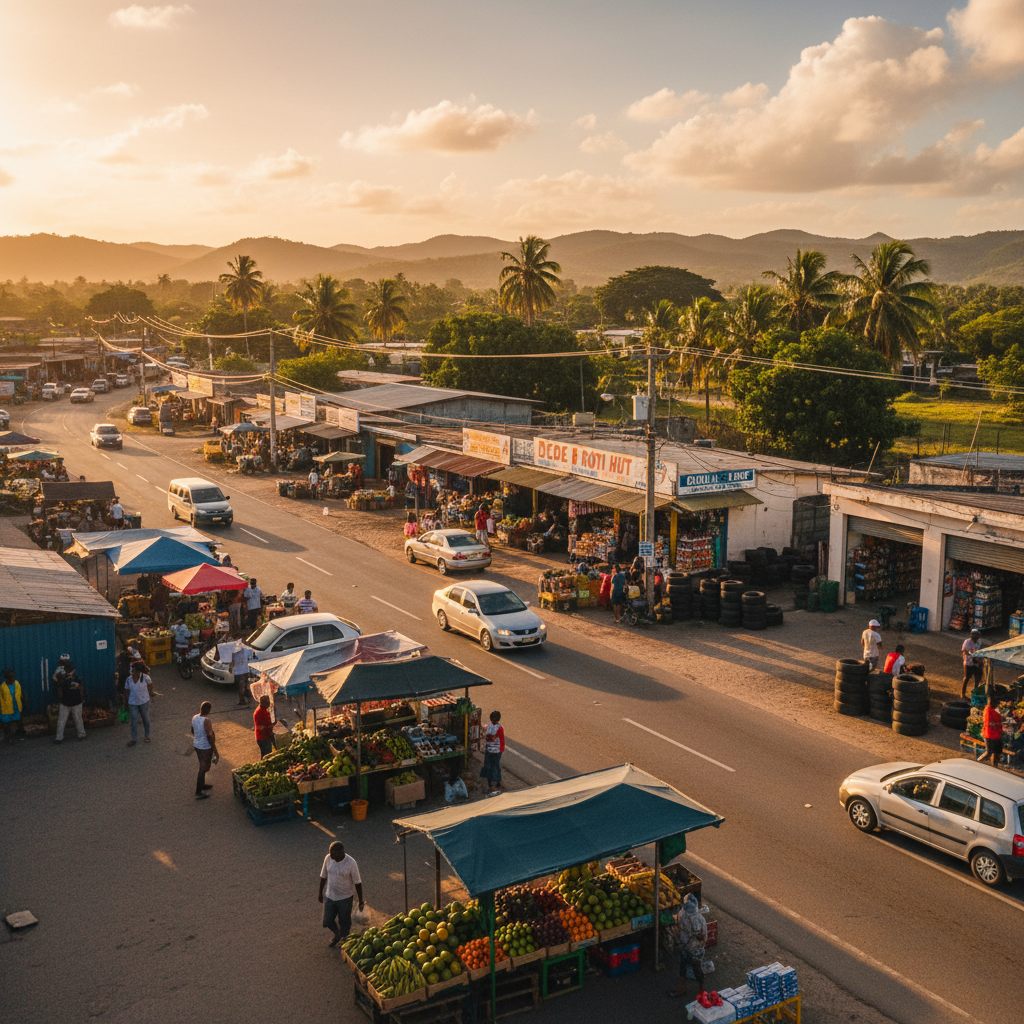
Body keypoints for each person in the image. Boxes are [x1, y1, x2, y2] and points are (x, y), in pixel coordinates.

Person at [318, 842, 364, 948]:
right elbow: (323, 876)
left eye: (334, 855)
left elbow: (358, 882)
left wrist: (361, 900)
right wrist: (320, 892)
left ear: (341, 852)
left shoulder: (351, 863)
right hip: (330, 896)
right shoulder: (328, 858)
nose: (332, 857)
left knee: (345, 922)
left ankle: (345, 941)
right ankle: (337, 934)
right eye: (330, 854)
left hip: (345, 898)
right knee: (327, 921)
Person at [669, 894, 708, 999]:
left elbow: (703, 937)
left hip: (694, 948)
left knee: (697, 969)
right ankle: (682, 987)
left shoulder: (699, 919)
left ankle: (701, 988)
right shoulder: (682, 914)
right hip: (685, 946)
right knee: (683, 966)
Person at [192, 701, 219, 800]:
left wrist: (198, 738)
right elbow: (209, 736)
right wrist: (215, 751)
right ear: (208, 710)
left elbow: (192, 730)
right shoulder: (206, 720)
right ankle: (198, 792)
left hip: (197, 745)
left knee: (203, 767)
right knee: (203, 768)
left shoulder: (194, 717)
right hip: (205, 748)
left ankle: (202, 785)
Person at [54, 660, 86, 743]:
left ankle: (59, 738)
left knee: (62, 720)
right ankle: (81, 734)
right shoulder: (76, 678)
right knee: (77, 719)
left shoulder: (62, 679)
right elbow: (80, 688)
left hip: (66, 702)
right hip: (75, 702)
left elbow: (59, 689)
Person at [123, 661, 154, 747]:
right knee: (133, 721)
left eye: (134, 671)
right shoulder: (128, 680)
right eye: (131, 671)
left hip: (144, 702)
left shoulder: (145, 678)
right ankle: (133, 739)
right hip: (132, 703)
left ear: (138, 671)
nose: (132, 673)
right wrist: (125, 703)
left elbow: (150, 687)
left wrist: (148, 693)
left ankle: (147, 735)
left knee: (145, 719)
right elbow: (126, 691)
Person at [480, 710, 504, 794]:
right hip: (493, 750)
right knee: (492, 767)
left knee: (493, 767)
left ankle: (494, 783)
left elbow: (490, 737)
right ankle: (492, 783)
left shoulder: (495, 727)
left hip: (493, 751)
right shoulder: (495, 727)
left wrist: (487, 736)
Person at [979, 691, 1003, 766]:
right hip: (989, 734)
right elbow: (992, 722)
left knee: (996, 753)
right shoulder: (989, 710)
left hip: (995, 734)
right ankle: (977, 763)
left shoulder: (989, 709)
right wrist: (1001, 722)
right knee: (988, 752)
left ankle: (994, 767)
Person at [1, 668, 24, 744]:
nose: (12, 679)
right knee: (6, 724)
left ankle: (21, 734)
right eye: (10, 677)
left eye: (13, 677)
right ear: (6, 678)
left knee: (18, 721)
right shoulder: (2, 687)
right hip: (6, 709)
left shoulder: (17, 683)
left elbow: (19, 695)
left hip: (16, 707)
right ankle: (8, 737)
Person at [230, 640, 255, 706]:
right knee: (245, 685)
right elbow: (251, 658)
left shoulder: (233, 652)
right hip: (244, 670)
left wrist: (231, 669)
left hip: (238, 671)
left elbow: (232, 661)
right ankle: (248, 698)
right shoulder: (246, 650)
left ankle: (242, 700)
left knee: (241, 686)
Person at [961, 629, 984, 698]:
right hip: (968, 663)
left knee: (978, 679)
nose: (975, 639)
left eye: (977, 637)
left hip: (977, 663)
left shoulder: (979, 641)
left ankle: (975, 693)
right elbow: (965, 652)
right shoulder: (967, 642)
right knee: (966, 678)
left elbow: (981, 650)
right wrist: (973, 658)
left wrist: (980, 660)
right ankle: (963, 693)